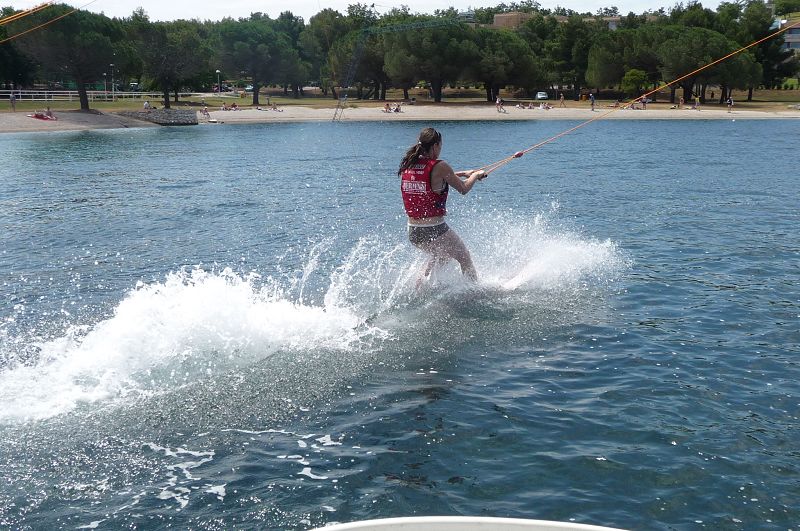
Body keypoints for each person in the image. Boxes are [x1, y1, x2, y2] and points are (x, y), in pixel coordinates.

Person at [399, 127, 486, 283]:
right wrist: (475, 175)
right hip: (434, 229)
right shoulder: (440, 166)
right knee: (464, 257)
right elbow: (463, 188)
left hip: (413, 231)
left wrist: (463, 173)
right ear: (435, 146)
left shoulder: (410, 163)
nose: (440, 150)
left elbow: (434, 177)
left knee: (441, 255)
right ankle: (475, 291)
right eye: (440, 146)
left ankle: (419, 287)